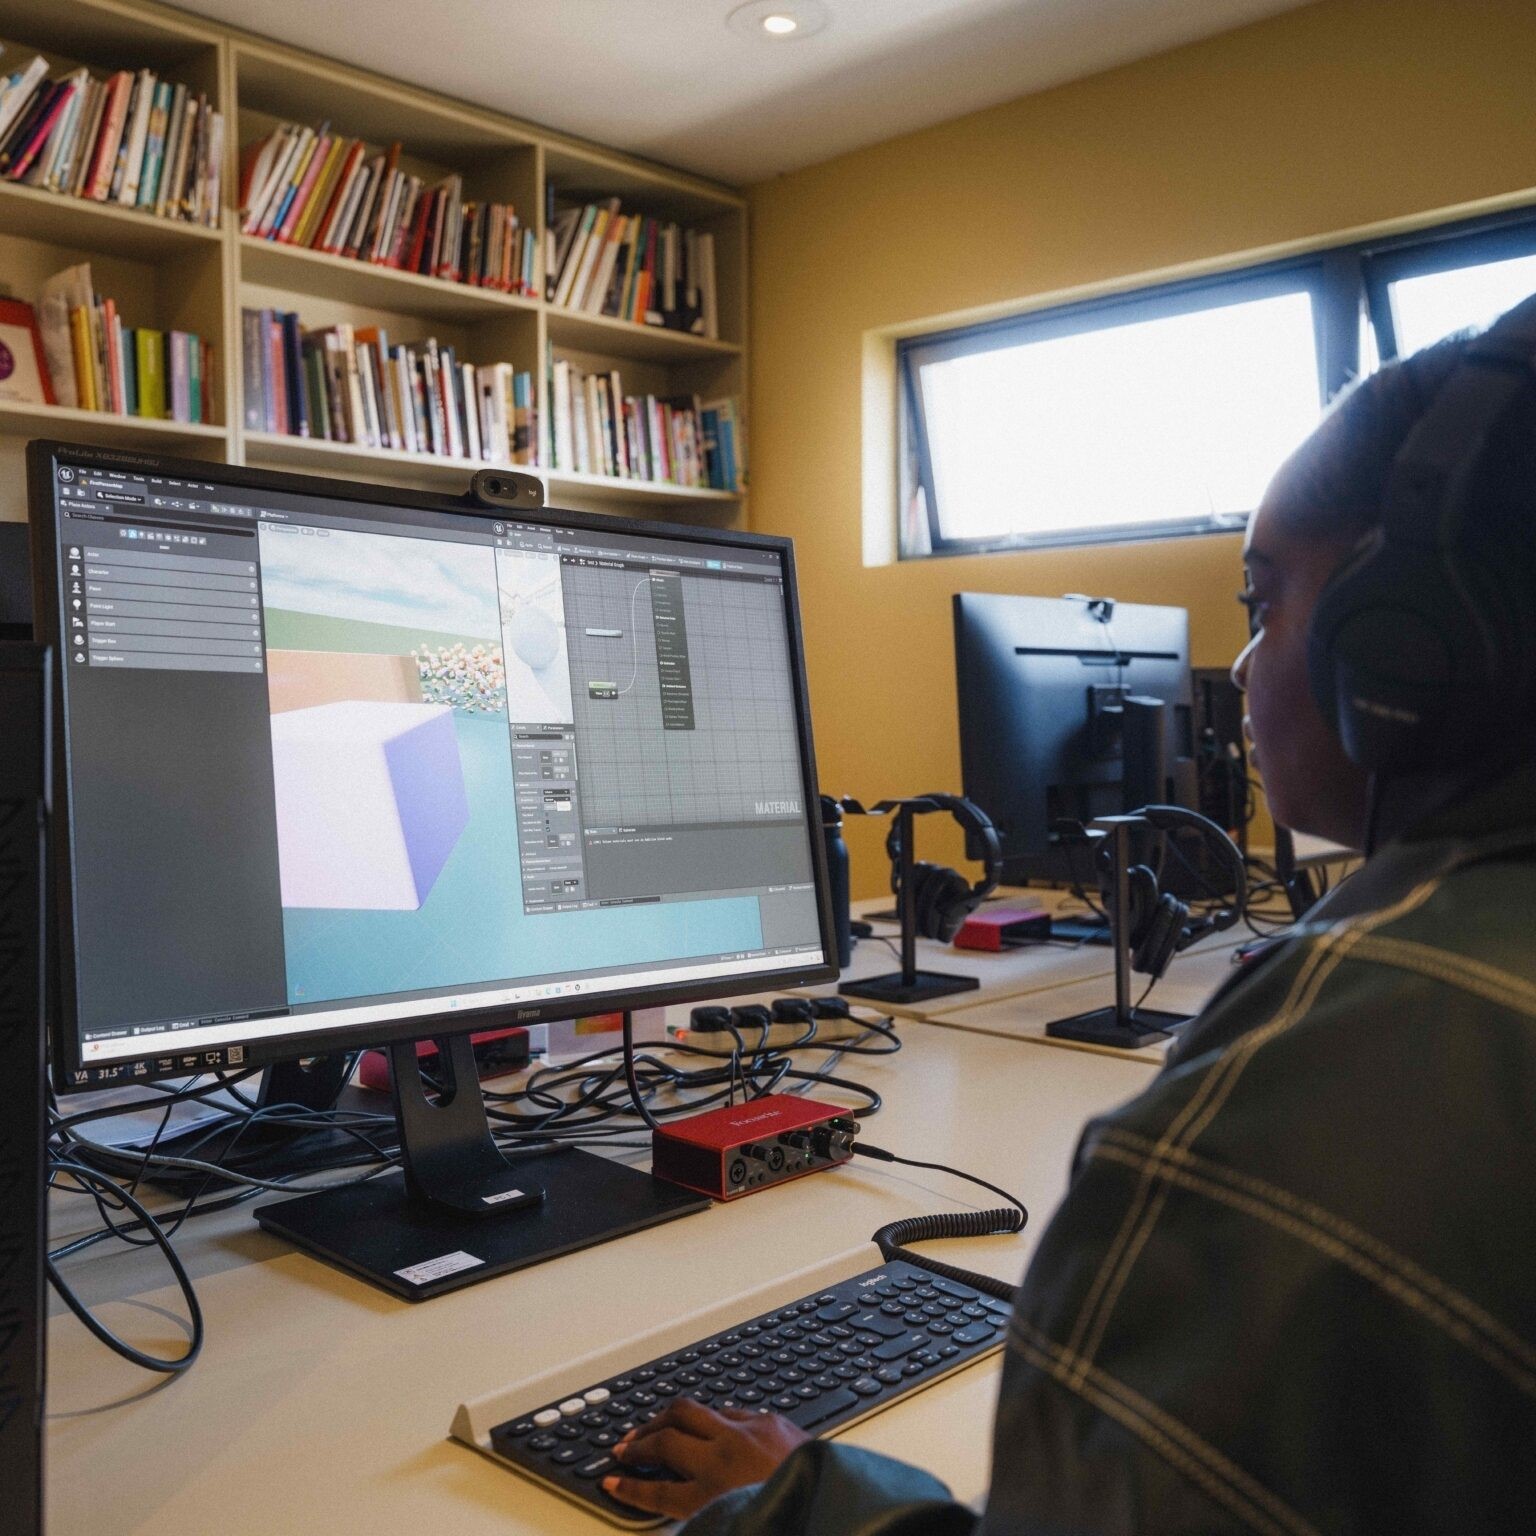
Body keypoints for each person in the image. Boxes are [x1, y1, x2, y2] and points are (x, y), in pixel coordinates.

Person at [598, 296, 1536, 1532]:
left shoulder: (1359, 1053)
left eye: (1263, 603)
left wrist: (802, 1504)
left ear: (1407, 642)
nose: (1243, 669)